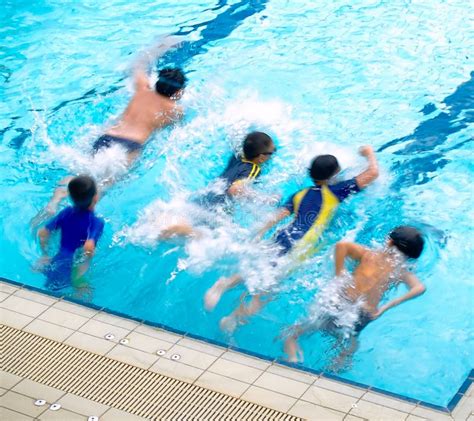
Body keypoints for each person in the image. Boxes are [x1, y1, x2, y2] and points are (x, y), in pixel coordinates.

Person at [205, 145, 379, 332]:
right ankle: (233, 319)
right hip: (298, 246)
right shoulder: (338, 190)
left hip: (281, 238)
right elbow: (373, 173)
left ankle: (226, 283)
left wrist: (259, 233)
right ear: (333, 175)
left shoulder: (300, 193)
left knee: (261, 270)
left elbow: (276, 217)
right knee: (267, 291)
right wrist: (368, 153)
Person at [38, 38, 187, 220]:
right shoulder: (175, 110)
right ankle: (80, 220)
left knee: (81, 175)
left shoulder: (142, 89)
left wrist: (163, 45)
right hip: (130, 145)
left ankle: (54, 201)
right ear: (178, 92)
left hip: (107, 136)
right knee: (104, 185)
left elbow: (138, 65)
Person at [283, 226, 426, 364]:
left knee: (295, 332)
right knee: (349, 343)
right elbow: (420, 288)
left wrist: (339, 276)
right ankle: (334, 369)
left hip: (343, 302)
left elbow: (341, 245)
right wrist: (385, 307)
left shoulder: (369, 255)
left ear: (389, 241)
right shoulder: (400, 270)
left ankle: (292, 357)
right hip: (365, 314)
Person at [159, 131, 276, 239]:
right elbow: (234, 190)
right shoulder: (253, 169)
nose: (273, 153)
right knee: (208, 237)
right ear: (261, 157)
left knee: (191, 219)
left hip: (207, 195)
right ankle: (181, 229)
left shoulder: (238, 156)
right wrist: (265, 199)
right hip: (218, 206)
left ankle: (169, 226)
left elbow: (234, 140)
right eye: (272, 151)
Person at [36, 175, 104, 292]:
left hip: (55, 260)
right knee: (87, 294)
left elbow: (43, 233)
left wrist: (45, 254)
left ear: (70, 196)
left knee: (50, 289)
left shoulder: (66, 212)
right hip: (72, 267)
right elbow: (89, 247)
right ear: (96, 197)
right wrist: (79, 273)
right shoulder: (96, 222)